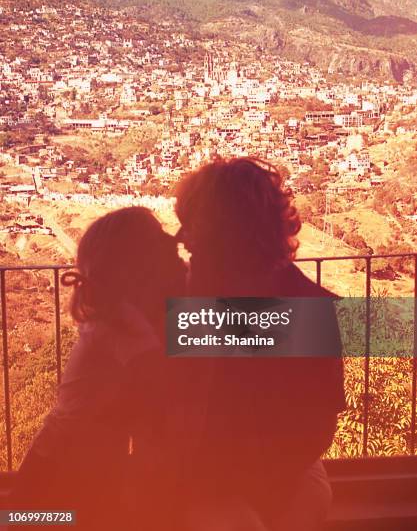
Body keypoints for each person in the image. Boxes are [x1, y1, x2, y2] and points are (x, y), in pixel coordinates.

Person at [175, 157, 346, 530]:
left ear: (227, 237)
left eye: (192, 229)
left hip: (269, 475)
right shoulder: (306, 305)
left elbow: (313, 430)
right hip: (270, 472)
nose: (181, 239)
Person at [8, 206, 188, 530]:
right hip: (68, 466)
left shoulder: (122, 318)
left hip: (76, 460)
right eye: (157, 236)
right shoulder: (123, 325)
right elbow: (163, 385)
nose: (172, 240)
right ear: (138, 263)